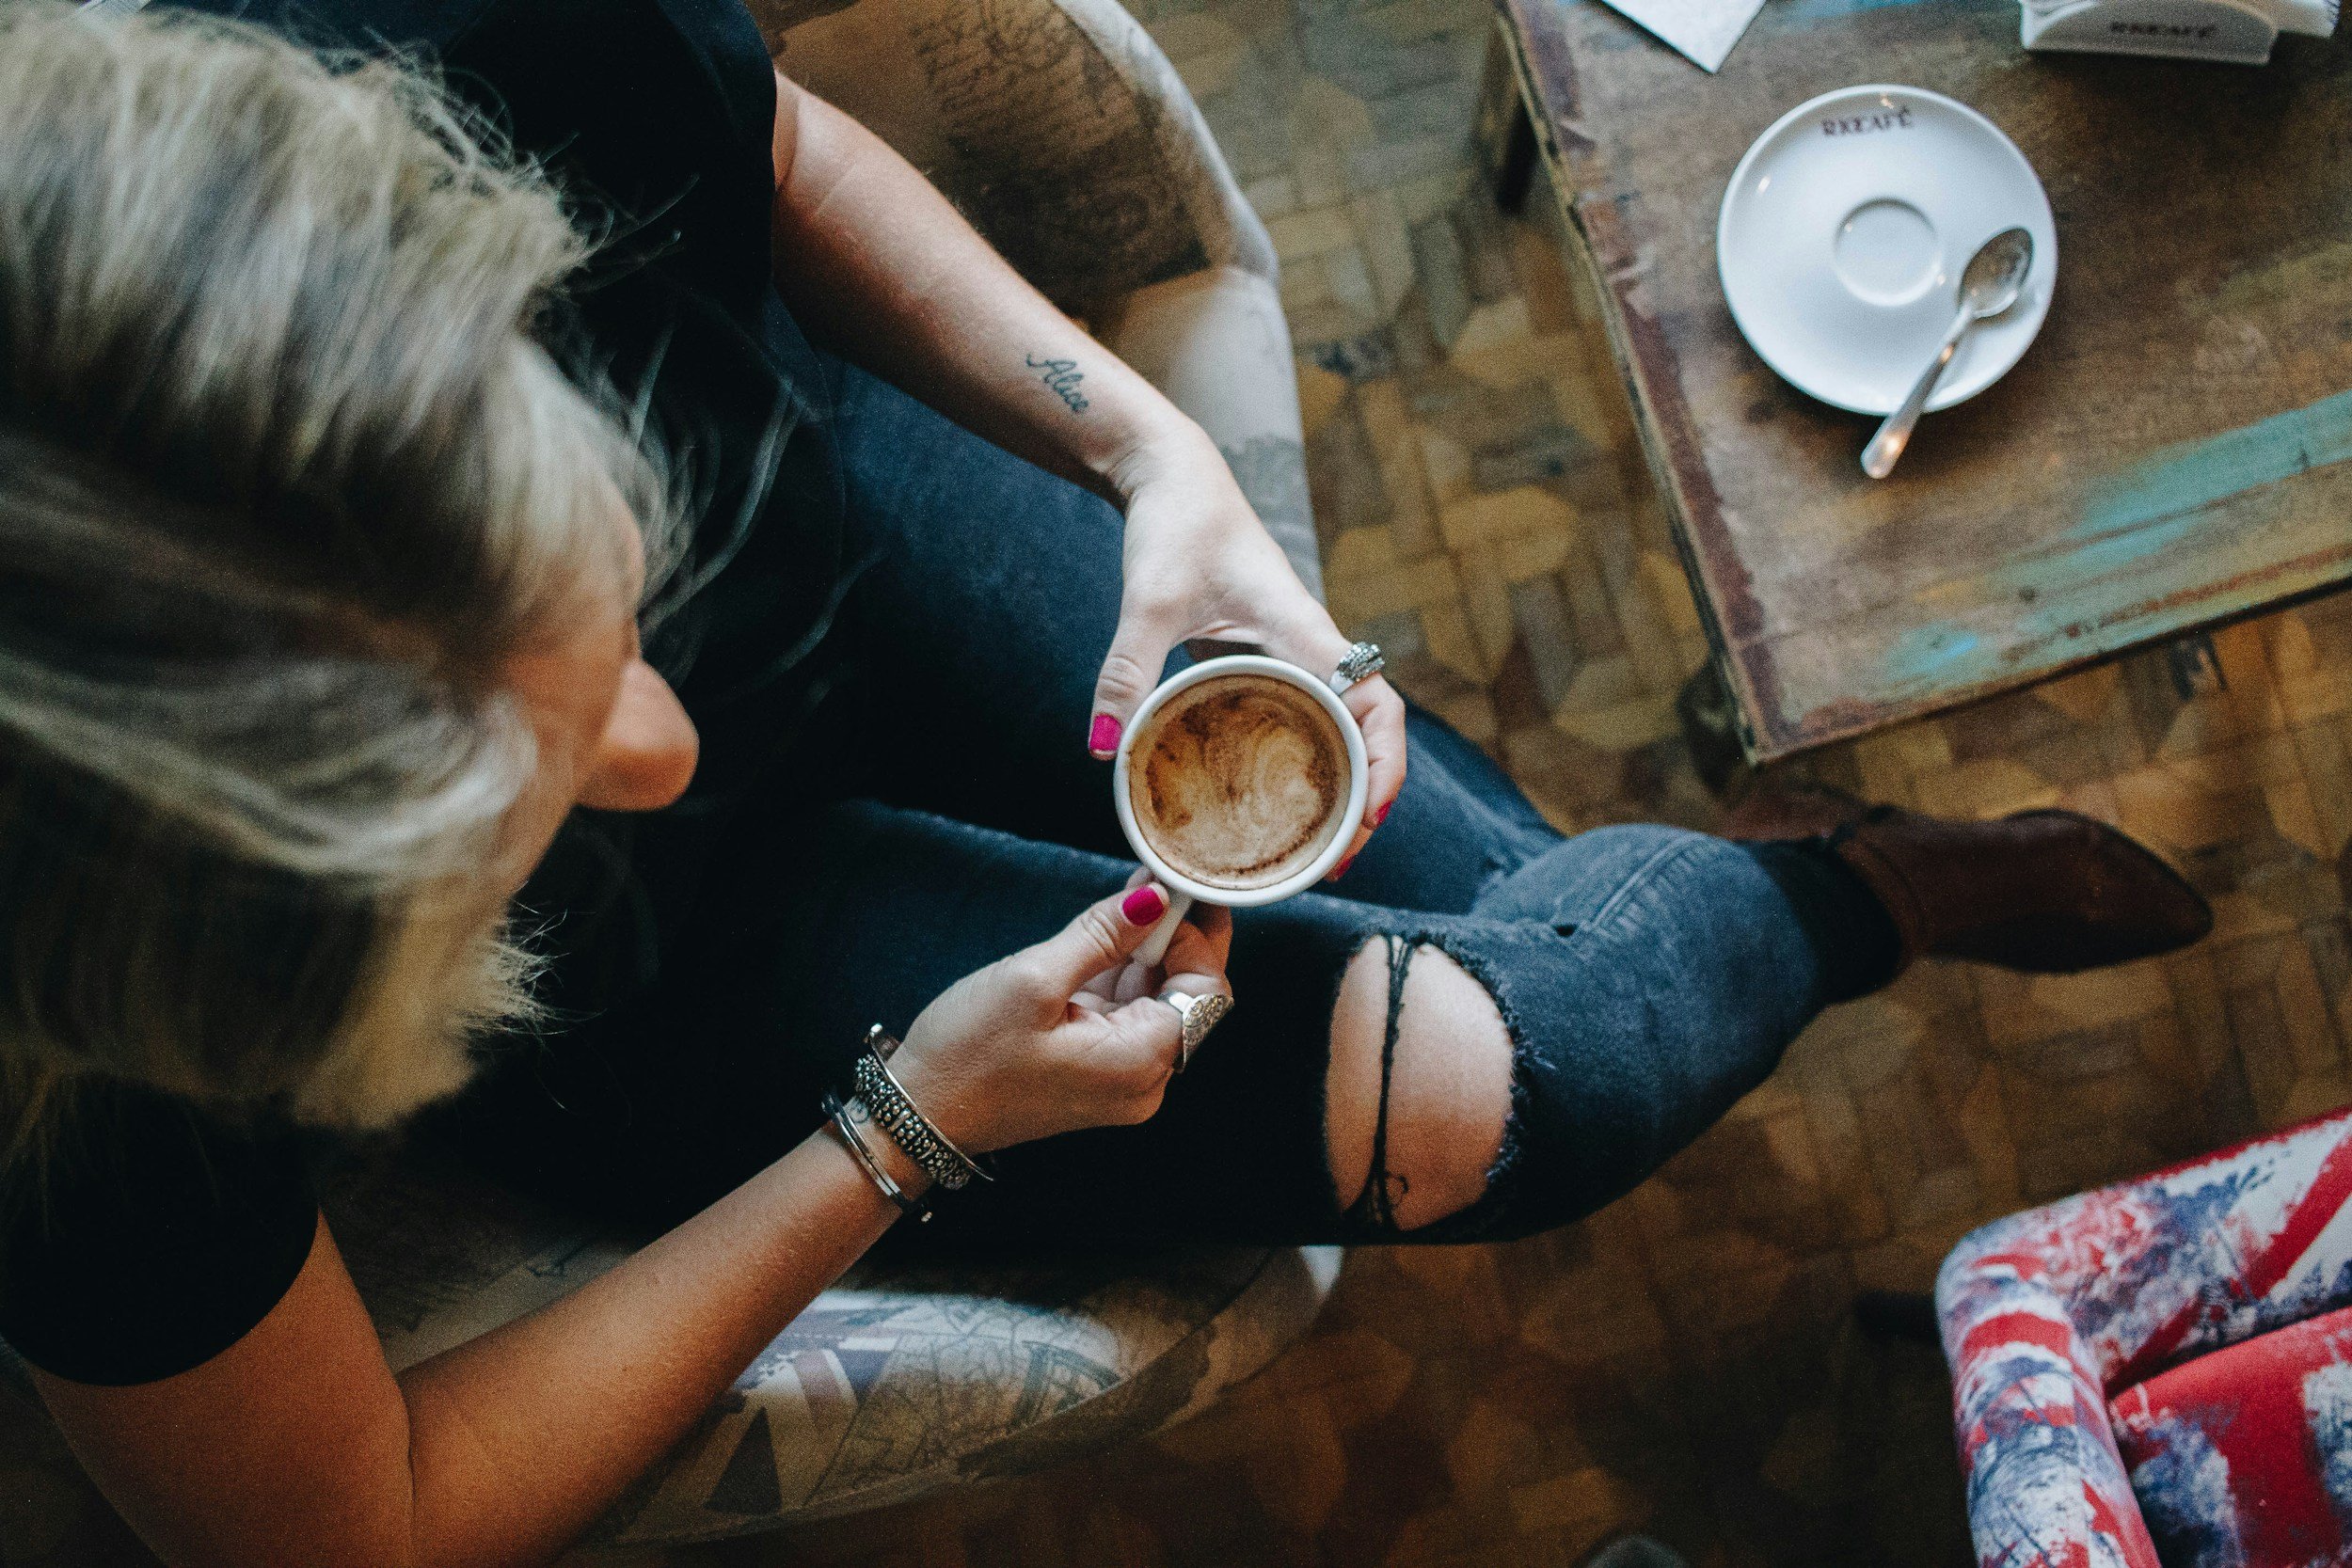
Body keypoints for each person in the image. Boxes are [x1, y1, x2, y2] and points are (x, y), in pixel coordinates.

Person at [0, 2, 2212, 1563]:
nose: (651, 753)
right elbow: (358, 1523)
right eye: (523, 802)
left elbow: (764, 146)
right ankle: (1857, 895)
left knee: (1496, 908)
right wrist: (908, 1131)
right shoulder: (78, 1066)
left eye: (587, 574)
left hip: (835, 518)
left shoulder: (361, 67)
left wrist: (1138, 448)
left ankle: (1717, 898)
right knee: (1549, 1074)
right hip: (659, 1019)